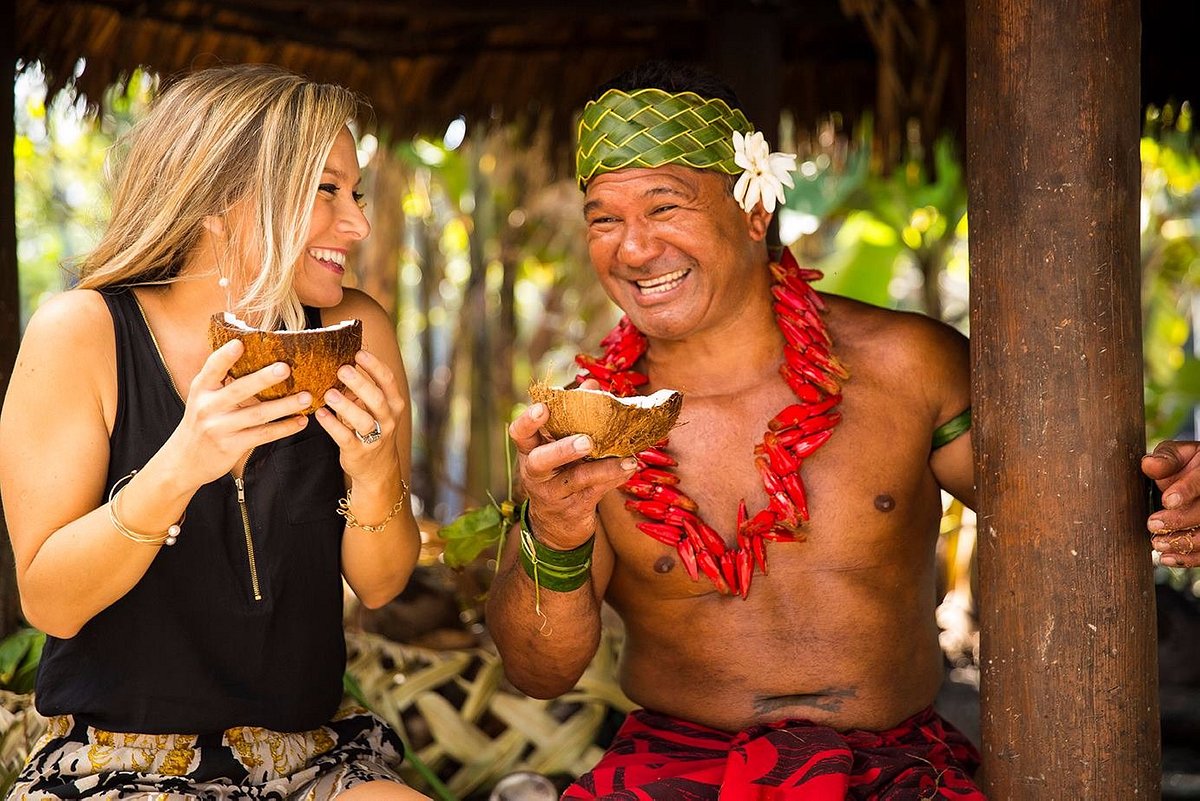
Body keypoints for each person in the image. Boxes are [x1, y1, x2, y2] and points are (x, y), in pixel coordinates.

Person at [486, 61, 1200, 799]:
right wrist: (556, 532)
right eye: (605, 218)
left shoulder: (907, 367)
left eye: (665, 208)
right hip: (677, 772)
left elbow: (1064, 511)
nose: (632, 249)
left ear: (753, 210)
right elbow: (538, 671)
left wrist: (1170, 496)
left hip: (893, 772)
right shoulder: (585, 424)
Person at [0, 64, 428, 800]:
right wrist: (183, 463)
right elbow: (49, 600)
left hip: (314, 756)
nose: (356, 223)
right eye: (326, 191)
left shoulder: (355, 332)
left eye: (354, 194)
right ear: (221, 200)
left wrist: (375, 469)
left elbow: (383, 582)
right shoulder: (83, 333)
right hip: (119, 763)